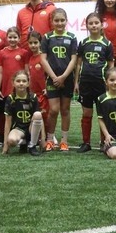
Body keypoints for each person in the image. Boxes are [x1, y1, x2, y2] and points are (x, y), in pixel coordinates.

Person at [40, 8, 78, 152]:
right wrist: (54, 77)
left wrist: (63, 77)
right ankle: (50, 139)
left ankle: (64, 141)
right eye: (57, 20)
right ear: (52, 21)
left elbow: (74, 59)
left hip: (67, 79)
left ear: (66, 21)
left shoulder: (72, 37)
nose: (60, 23)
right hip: (52, 79)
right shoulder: (47, 37)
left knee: (65, 110)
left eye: (62, 20)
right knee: (54, 110)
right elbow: (43, 59)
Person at [76, 12, 113, 153]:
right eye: (90, 23)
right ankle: (86, 143)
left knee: (102, 113)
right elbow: (78, 64)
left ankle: (104, 142)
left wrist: (110, 83)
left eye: (96, 23)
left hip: (101, 84)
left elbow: (111, 66)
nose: (93, 25)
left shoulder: (107, 44)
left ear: (101, 25)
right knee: (87, 113)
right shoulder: (83, 43)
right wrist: (76, 82)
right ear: (86, 26)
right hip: (85, 83)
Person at [1, 70, 44, 156]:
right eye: (18, 81)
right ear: (13, 83)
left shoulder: (33, 97)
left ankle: (32, 145)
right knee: (11, 141)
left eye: (24, 81)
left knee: (38, 114)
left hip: (31, 127)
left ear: (28, 83)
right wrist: (5, 144)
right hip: (18, 128)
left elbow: (40, 119)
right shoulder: (11, 99)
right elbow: (8, 122)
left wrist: (43, 138)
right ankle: (24, 143)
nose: (21, 83)